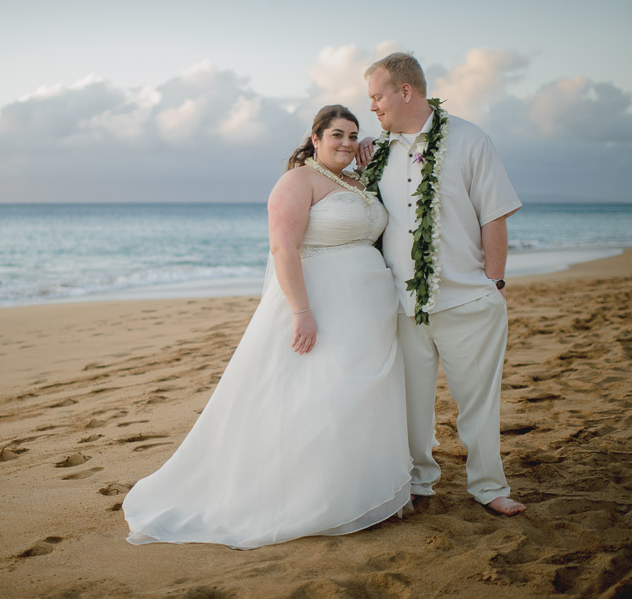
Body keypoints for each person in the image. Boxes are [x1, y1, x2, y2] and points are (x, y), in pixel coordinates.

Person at [122, 105, 413, 549]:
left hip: (368, 311)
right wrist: (301, 311)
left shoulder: (357, 181)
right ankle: (311, 497)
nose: (347, 143)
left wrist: (374, 169)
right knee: (321, 397)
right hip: (323, 304)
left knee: (360, 397)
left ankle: (359, 489)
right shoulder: (297, 181)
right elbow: (283, 249)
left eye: (354, 136)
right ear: (315, 137)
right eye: (337, 134)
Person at [357, 52, 525, 516]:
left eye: (377, 96)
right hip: (402, 306)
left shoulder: (470, 140)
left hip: (467, 299)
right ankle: (419, 483)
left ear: (405, 91)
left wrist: (494, 282)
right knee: (412, 408)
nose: (372, 107)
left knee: (479, 403)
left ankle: (489, 487)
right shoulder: (376, 152)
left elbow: (494, 213)